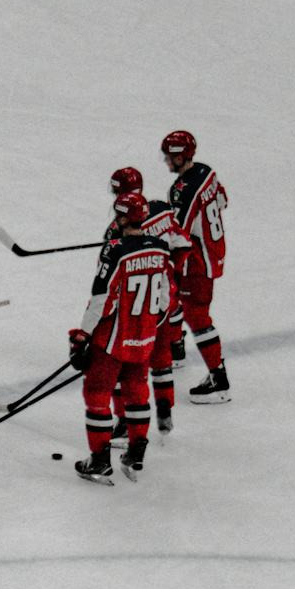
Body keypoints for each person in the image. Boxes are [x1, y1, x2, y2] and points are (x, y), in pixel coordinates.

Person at [70, 192, 172, 483]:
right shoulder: (160, 248)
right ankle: (136, 454)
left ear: (124, 217)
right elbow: (165, 299)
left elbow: (101, 299)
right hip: (144, 338)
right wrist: (147, 326)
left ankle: (100, 460)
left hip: (113, 341)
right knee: (136, 391)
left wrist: (82, 336)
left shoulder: (115, 250)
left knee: (97, 393)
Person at [109, 166, 191, 434]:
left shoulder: (116, 232)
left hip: (133, 311)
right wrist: (171, 270)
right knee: (161, 357)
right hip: (162, 299)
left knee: (124, 367)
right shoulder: (161, 210)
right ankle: (165, 412)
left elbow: (110, 279)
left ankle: (124, 422)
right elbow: (184, 243)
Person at [162, 130, 231, 403]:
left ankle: (219, 381)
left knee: (197, 316)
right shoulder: (206, 172)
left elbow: (176, 233)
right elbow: (223, 200)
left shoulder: (184, 190)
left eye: (170, 156)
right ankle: (176, 349)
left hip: (197, 260)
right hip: (211, 250)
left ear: (181, 156)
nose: (166, 161)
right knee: (171, 293)